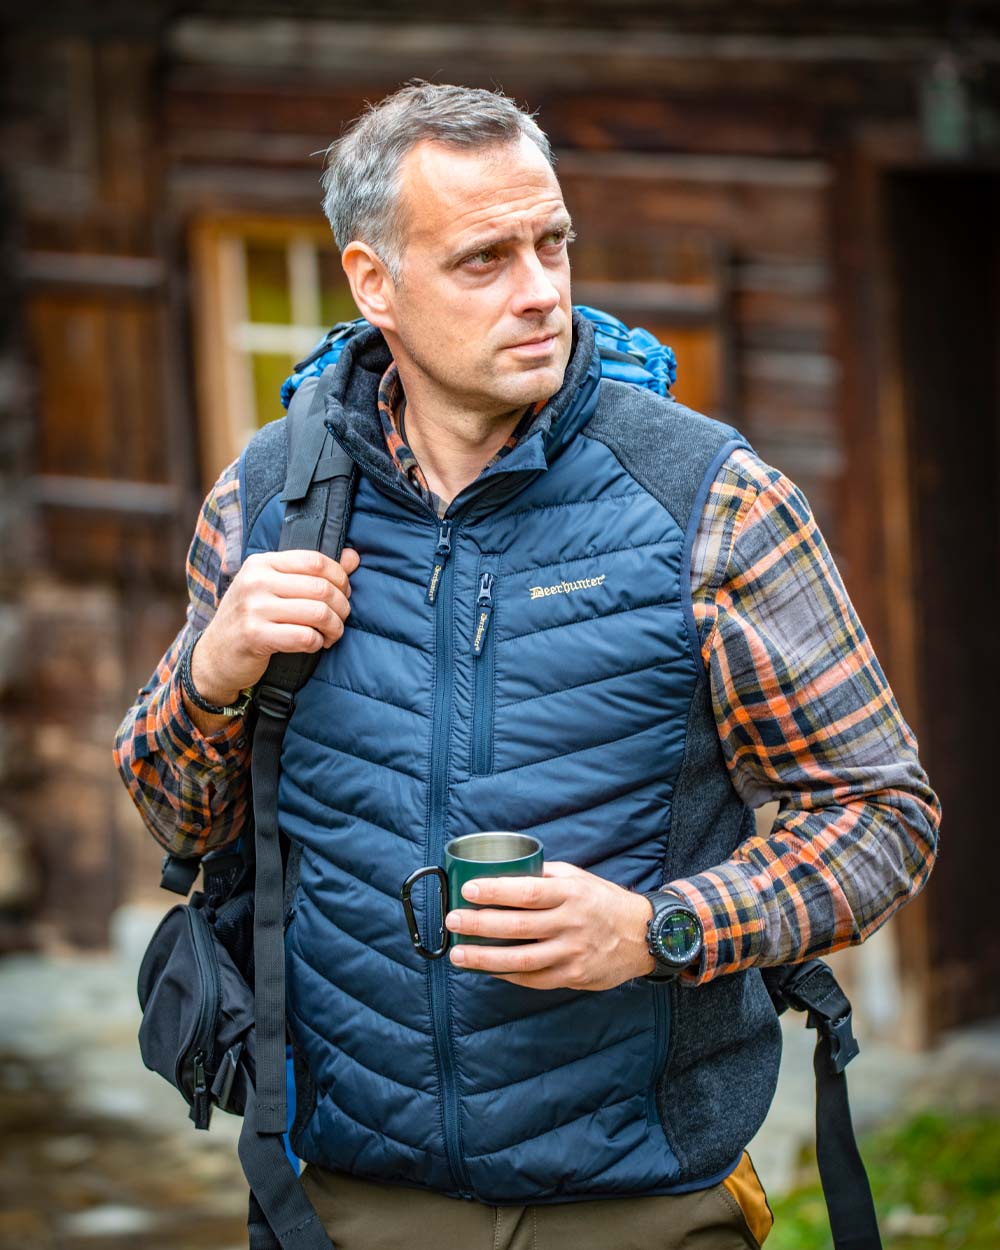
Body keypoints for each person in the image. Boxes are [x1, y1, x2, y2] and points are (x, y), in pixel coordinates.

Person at [114, 82, 940, 1250]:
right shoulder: (268, 498)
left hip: (643, 1202)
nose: (541, 288)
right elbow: (171, 815)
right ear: (371, 282)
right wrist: (212, 671)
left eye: (551, 239)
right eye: (484, 258)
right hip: (350, 1200)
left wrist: (661, 927)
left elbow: (879, 814)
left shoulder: (708, 496)